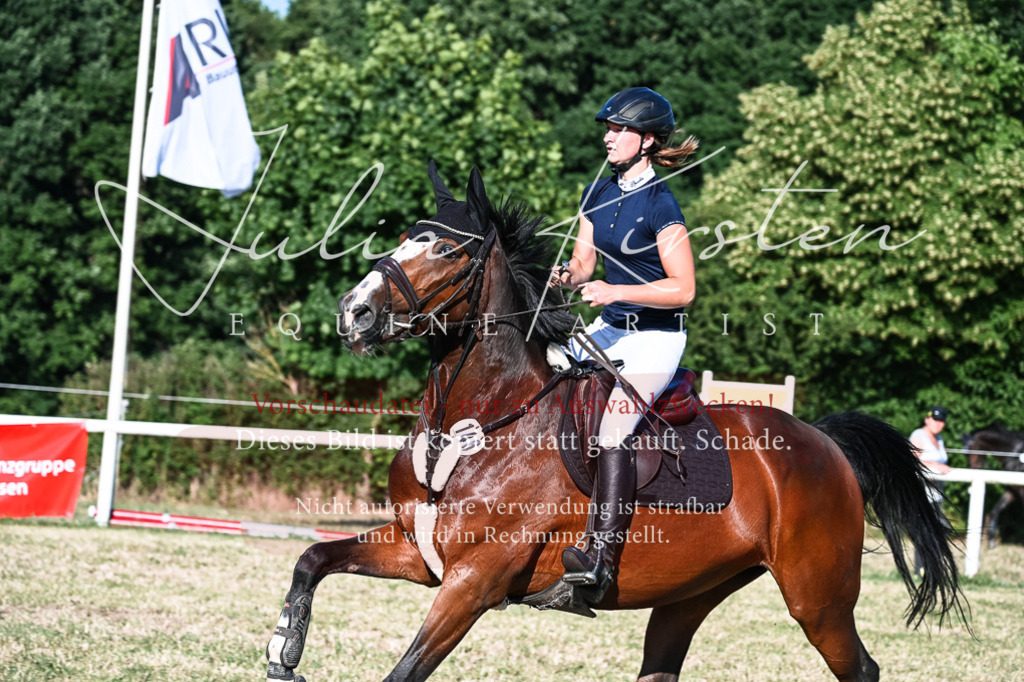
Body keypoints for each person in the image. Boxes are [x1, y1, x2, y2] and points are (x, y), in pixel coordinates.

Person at [554, 87, 697, 603]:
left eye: (620, 130)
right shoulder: (596, 191)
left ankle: (601, 559)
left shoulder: (662, 204)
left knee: (614, 431)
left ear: (647, 141)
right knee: (544, 375)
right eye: (608, 129)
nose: (608, 138)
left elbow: (684, 288)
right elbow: (584, 264)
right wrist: (563, 277)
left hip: (656, 339)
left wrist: (616, 291)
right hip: (611, 329)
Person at [909, 405, 952, 574]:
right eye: (935, 419)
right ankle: (921, 569)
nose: (938, 423)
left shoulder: (939, 438)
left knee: (939, 529)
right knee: (925, 531)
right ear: (927, 419)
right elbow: (911, 461)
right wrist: (934, 465)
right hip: (922, 493)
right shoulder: (918, 436)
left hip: (936, 494)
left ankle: (930, 566)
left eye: (941, 421)